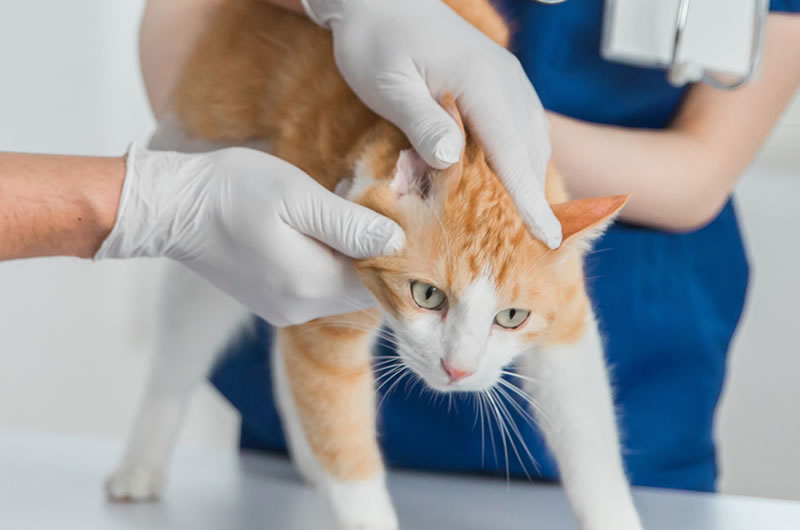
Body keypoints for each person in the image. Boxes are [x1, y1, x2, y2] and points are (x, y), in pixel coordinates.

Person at [140, 0, 800, 493]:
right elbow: (184, 48)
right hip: (297, 443)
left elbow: (700, 174)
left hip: (650, 392)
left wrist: (483, 141)